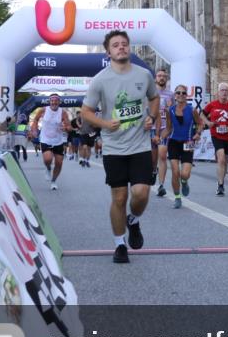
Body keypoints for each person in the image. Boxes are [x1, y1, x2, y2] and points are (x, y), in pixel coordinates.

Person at [81, 30, 159, 264]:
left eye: (124, 44)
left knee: (141, 193)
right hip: (114, 148)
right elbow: (85, 112)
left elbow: (154, 98)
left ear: (129, 48)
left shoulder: (144, 75)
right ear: (108, 52)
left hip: (140, 145)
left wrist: (152, 118)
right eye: (116, 45)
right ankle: (119, 245)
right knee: (119, 197)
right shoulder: (100, 80)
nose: (121, 48)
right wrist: (104, 123)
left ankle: (133, 220)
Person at [159, 84, 202, 209]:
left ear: (187, 95)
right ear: (175, 95)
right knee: (175, 171)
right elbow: (168, 128)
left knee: (185, 174)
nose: (181, 95)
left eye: (183, 93)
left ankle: (184, 182)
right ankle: (177, 197)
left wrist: (198, 133)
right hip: (173, 142)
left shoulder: (192, 110)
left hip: (188, 142)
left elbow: (200, 123)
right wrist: (160, 137)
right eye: (178, 93)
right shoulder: (170, 110)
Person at [202, 82, 228, 196]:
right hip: (216, 135)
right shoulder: (212, 104)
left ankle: (221, 178)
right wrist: (208, 122)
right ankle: (220, 185)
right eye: (222, 90)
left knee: (225, 161)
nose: (224, 92)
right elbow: (201, 114)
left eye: (226, 90)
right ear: (218, 92)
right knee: (221, 158)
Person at [28, 94, 71, 191]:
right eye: (52, 101)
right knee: (48, 159)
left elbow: (69, 127)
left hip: (58, 141)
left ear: (59, 102)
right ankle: (48, 168)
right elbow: (35, 119)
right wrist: (34, 130)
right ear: (49, 102)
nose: (54, 102)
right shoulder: (43, 110)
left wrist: (65, 128)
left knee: (59, 163)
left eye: (56, 101)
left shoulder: (63, 113)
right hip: (45, 139)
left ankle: (53, 181)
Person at [153, 69, 174, 197]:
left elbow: (174, 112)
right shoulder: (150, 93)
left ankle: (161, 185)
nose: (162, 78)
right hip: (151, 129)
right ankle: (153, 170)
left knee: (162, 155)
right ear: (155, 78)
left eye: (164, 76)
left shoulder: (171, 94)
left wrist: (170, 108)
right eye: (159, 76)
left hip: (164, 128)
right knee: (152, 157)